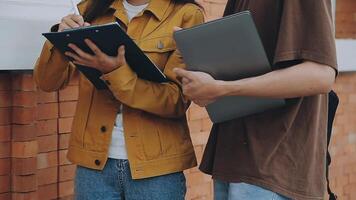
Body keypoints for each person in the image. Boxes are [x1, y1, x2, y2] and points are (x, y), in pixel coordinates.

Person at [34, 0, 204, 199]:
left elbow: (177, 101)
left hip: (157, 170)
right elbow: (47, 82)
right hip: (94, 167)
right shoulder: (90, 9)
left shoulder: (186, 14)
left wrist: (115, 73)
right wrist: (61, 37)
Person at [174, 0, 337, 199]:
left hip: (273, 167)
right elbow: (241, 63)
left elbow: (320, 75)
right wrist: (204, 78)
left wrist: (222, 89)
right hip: (233, 159)